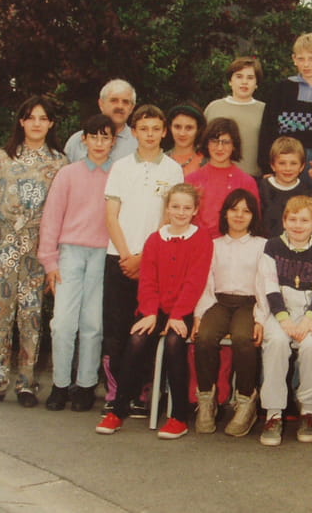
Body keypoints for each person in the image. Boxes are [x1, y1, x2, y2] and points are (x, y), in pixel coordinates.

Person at [0, 95, 68, 407]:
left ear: (51, 123)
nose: (37, 123)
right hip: (2, 250)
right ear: (22, 121)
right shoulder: (3, 157)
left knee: (31, 317)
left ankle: (26, 384)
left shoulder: (59, 162)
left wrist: (54, 260)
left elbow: (64, 213)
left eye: (43, 118)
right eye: (31, 117)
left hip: (38, 253)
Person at [96, 183, 213, 438]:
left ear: (195, 210)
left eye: (186, 208)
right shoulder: (155, 239)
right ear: (167, 208)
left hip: (184, 309)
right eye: (175, 206)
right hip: (155, 308)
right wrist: (149, 312)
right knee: (137, 339)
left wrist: (178, 315)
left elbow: (196, 281)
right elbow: (147, 280)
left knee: (174, 342)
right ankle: (118, 410)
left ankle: (179, 417)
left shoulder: (201, 239)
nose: (180, 212)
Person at [101, 105, 184, 416]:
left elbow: (169, 218)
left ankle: (141, 392)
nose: (150, 134)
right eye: (144, 129)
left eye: (155, 129)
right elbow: (111, 216)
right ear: (134, 132)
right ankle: (115, 393)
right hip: (118, 258)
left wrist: (144, 258)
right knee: (117, 329)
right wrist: (127, 255)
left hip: (154, 262)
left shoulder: (173, 170)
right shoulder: (121, 167)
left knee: (147, 328)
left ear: (164, 132)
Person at [38, 114, 116, 412]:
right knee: (62, 324)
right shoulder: (68, 174)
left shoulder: (118, 175)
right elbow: (51, 218)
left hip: (103, 254)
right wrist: (49, 261)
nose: (99, 143)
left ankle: (85, 385)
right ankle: (60, 384)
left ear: (113, 141)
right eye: (94, 137)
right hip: (70, 253)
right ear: (84, 140)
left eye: (105, 137)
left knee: (93, 324)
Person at [259, 196, 312, 446]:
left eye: (304, 220)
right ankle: (273, 413)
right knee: (277, 343)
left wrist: (308, 321)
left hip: (308, 314)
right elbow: (270, 287)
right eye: (292, 219)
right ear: (284, 221)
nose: (298, 225)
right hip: (279, 313)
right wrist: (284, 320)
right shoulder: (272, 246)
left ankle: (308, 411)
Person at [193, 189, 268, 437]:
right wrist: (199, 315)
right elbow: (206, 283)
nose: (239, 215)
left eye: (246, 211)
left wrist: (261, 318)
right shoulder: (214, 245)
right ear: (225, 213)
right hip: (219, 302)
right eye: (234, 209)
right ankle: (207, 400)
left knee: (243, 339)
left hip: (249, 303)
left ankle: (246, 401)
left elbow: (264, 284)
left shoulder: (261, 245)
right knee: (204, 337)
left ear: (253, 216)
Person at [258, 33, 312, 185]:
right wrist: (266, 167)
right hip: (283, 159)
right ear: (294, 59)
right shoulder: (282, 89)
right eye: (301, 59)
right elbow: (267, 129)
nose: (306, 64)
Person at [186, 117, 260, 240]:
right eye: (214, 141)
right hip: (198, 243)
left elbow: (254, 222)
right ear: (207, 143)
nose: (219, 148)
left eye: (226, 142)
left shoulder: (246, 182)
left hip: (234, 245)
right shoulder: (192, 180)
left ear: (234, 145)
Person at [205, 56, 265, 177]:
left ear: (256, 83)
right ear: (230, 81)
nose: (244, 82)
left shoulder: (265, 110)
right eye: (239, 76)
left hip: (252, 176)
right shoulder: (214, 108)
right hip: (216, 175)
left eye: (250, 77)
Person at [63, 79, 137, 162]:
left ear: (131, 108)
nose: (120, 106)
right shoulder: (76, 141)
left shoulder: (139, 143)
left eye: (125, 102)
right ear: (101, 104)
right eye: (114, 100)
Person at [259, 136, 312, 238]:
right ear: (273, 165)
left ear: (302, 167)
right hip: (266, 243)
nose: (288, 168)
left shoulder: (308, 192)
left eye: (293, 163)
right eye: (282, 163)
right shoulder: (262, 187)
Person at [163, 102, 206, 176]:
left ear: (198, 129)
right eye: (177, 127)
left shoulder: (208, 161)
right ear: (170, 127)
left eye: (189, 128)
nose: (182, 133)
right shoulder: (160, 161)